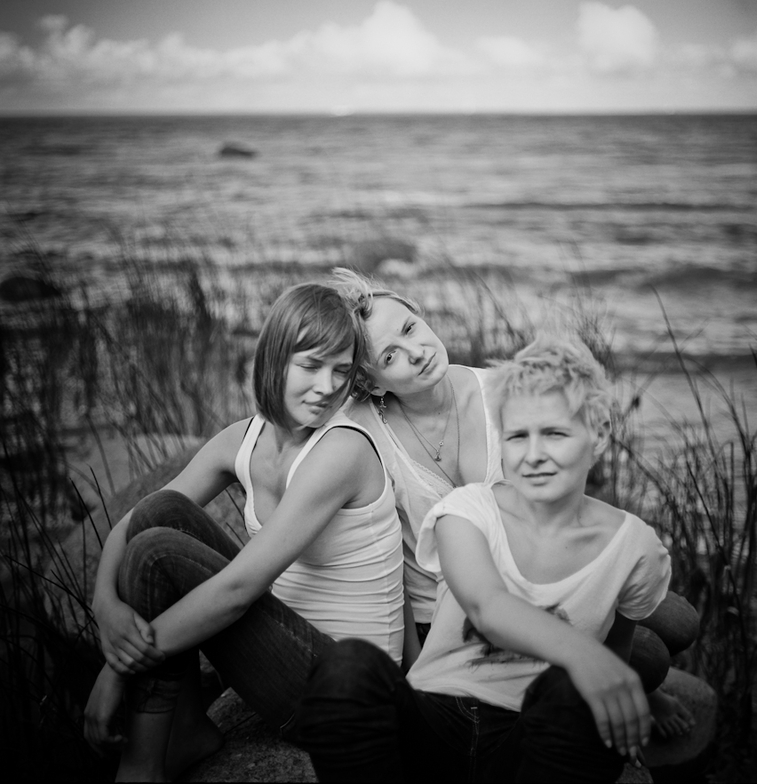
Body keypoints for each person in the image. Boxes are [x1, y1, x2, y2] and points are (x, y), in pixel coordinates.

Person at [329, 267, 698, 737]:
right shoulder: (361, 434)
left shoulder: (500, 392)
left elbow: (560, 495)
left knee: (679, 622)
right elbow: (386, 557)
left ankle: (634, 685)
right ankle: (634, 687)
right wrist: (415, 667)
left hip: (541, 581)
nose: (416, 351)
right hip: (444, 612)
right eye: (390, 355)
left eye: (410, 327)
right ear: (372, 382)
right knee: (650, 655)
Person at [295, 334, 672, 782]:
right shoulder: (467, 510)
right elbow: (486, 606)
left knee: (578, 697)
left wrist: (617, 700)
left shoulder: (636, 547)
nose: (534, 456)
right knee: (346, 668)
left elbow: (617, 646)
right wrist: (586, 657)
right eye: (517, 436)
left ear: (600, 434)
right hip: (433, 720)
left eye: (555, 433)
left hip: (530, 733)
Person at [83, 283, 406, 782]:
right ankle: (184, 729)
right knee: (159, 514)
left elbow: (238, 591)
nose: (327, 386)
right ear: (274, 357)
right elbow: (132, 520)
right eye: (311, 365)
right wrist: (104, 606)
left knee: (156, 554)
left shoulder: (343, 450)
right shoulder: (243, 438)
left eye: (341, 371)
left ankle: (140, 768)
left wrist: (118, 669)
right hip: (290, 649)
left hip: (350, 692)